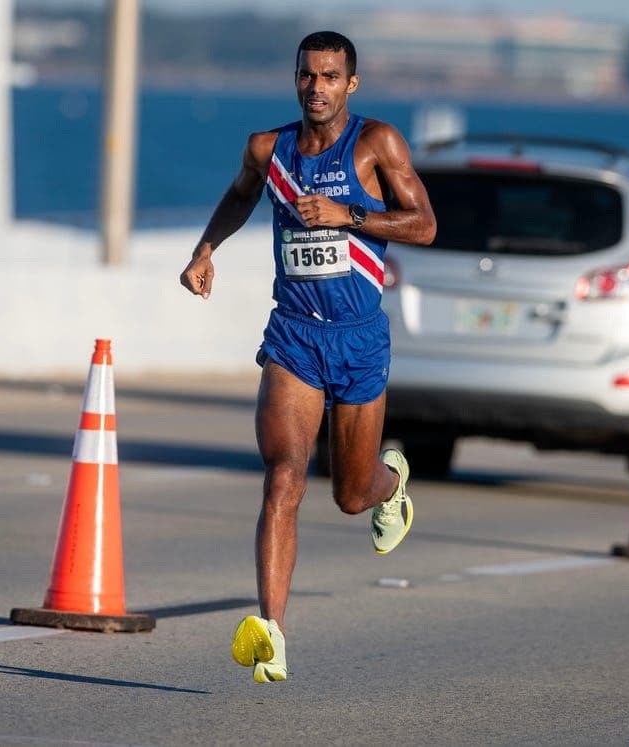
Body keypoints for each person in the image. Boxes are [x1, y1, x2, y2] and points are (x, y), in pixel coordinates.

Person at [178, 30, 436, 684]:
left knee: (350, 495)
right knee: (283, 477)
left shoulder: (377, 144)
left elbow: (425, 225)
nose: (316, 87)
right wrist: (205, 250)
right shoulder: (270, 149)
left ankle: (391, 481)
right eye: (306, 76)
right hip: (294, 334)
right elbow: (241, 194)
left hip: (357, 337)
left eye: (329, 77)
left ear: (351, 84)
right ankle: (274, 631)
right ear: (295, 79)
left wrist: (347, 215)